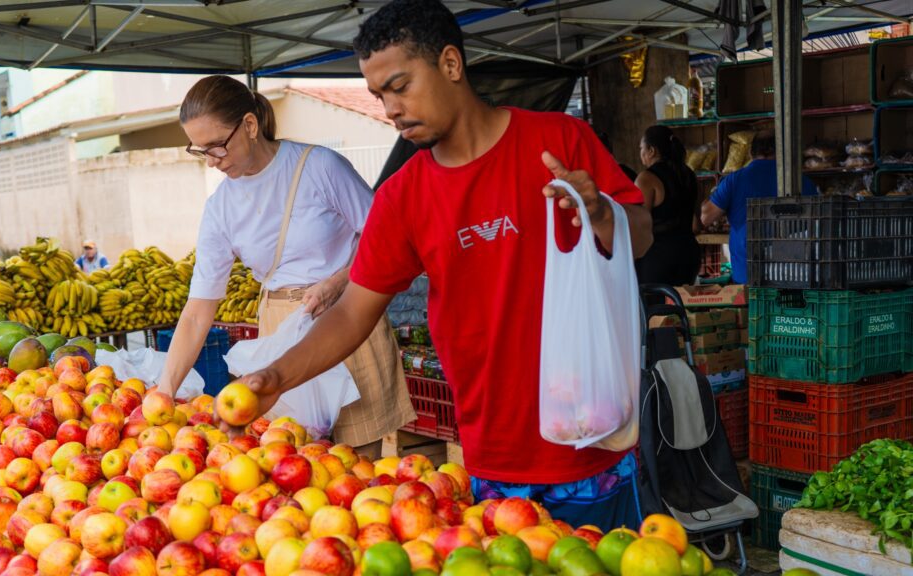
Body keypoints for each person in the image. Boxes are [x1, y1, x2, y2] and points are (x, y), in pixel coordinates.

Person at [234, 0, 654, 530]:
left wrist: (602, 214)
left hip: (591, 441)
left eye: (400, 86)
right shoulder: (401, 198)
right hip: (492, 458)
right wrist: (278, 374)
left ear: (451, 64)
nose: (391, 109)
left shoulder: (559, 140)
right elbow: (353, 312)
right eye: (379, 96)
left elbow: (641, 237)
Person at [156, 75, 415, 459]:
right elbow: (198, 312)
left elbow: (386, 236)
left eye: (217, 146)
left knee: (360, 464)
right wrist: (164, 391)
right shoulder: (220, 208)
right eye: (200, 150)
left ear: (249, 125)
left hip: (349, 315)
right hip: (282, 330)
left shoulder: (319, 167)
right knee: (294, 460)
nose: (211, 161)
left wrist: (339, 281)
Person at [701, 131, 818, 283]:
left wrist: (709, 199)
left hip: (748, 274)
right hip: (794, 274)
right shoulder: (804, 182)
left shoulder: (734, 180)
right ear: (782, 153)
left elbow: (705, 218)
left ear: (751, 153)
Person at [633, 125, 701, 286]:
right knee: (681, 301)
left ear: (651, 150)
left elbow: (638, 227)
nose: (640, 153)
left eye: (641, 148)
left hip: (658, 258)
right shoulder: (688, 175)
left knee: (655, 303)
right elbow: (695, 225)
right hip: (689, 255)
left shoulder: (646, 179)